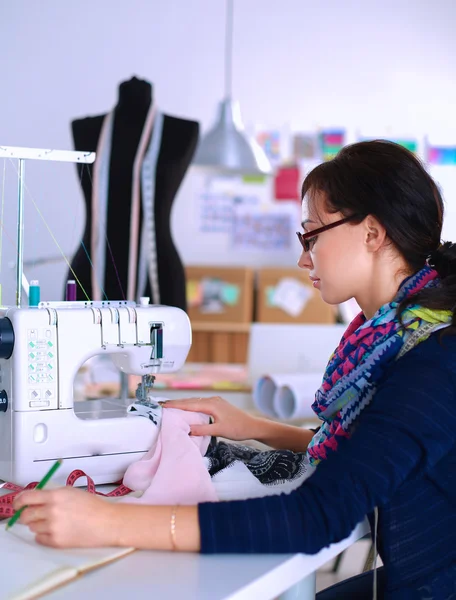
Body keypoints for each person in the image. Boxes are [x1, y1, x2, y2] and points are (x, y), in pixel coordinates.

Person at [15, 141, 456, 599]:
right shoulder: (393, 338)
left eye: (312, 235)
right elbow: (379, 452)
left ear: (371, 232)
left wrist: (107, 521)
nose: (303, 259)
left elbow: (316, 517)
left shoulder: (432, 361)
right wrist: (255, 427)